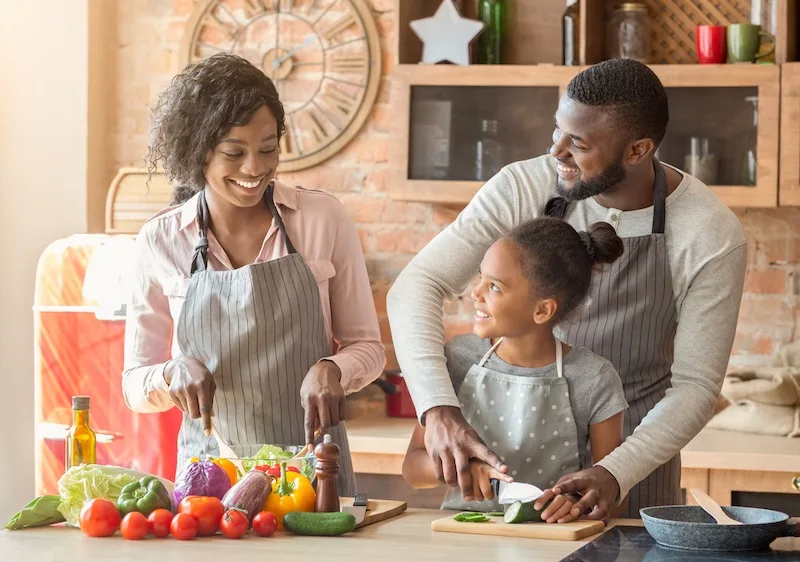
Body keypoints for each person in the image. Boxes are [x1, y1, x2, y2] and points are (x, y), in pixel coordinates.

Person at [387, 58, 747, 520]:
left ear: (637, 150)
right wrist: (437, 409)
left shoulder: (708, 232)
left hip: (632, 469)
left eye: (577, 143)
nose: (556, 151)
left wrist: (615, 471)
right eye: (557, 130)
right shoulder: (524, 186)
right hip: (526, 473)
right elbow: (417, 285)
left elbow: (696, 386)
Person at [121, 53, 385, 496]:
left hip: (312, 474)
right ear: (196, 151)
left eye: (268, 149)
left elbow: (369, 348)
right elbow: (134, 383)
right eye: (234, 153)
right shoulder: (162, 239)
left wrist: (332, 368)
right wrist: (170, 374)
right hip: (209, 479)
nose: (254, 169)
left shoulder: (322, 219)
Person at [402, 218, 630, 523]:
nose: (475, 293)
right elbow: (412, 469)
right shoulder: (458, 358)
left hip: (553, 543)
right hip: (463, 540)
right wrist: (461, 467)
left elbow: (613, 497)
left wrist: (576, 505)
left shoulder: (595, 378)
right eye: (480, 278)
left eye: (494, 286)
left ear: (542, 310)